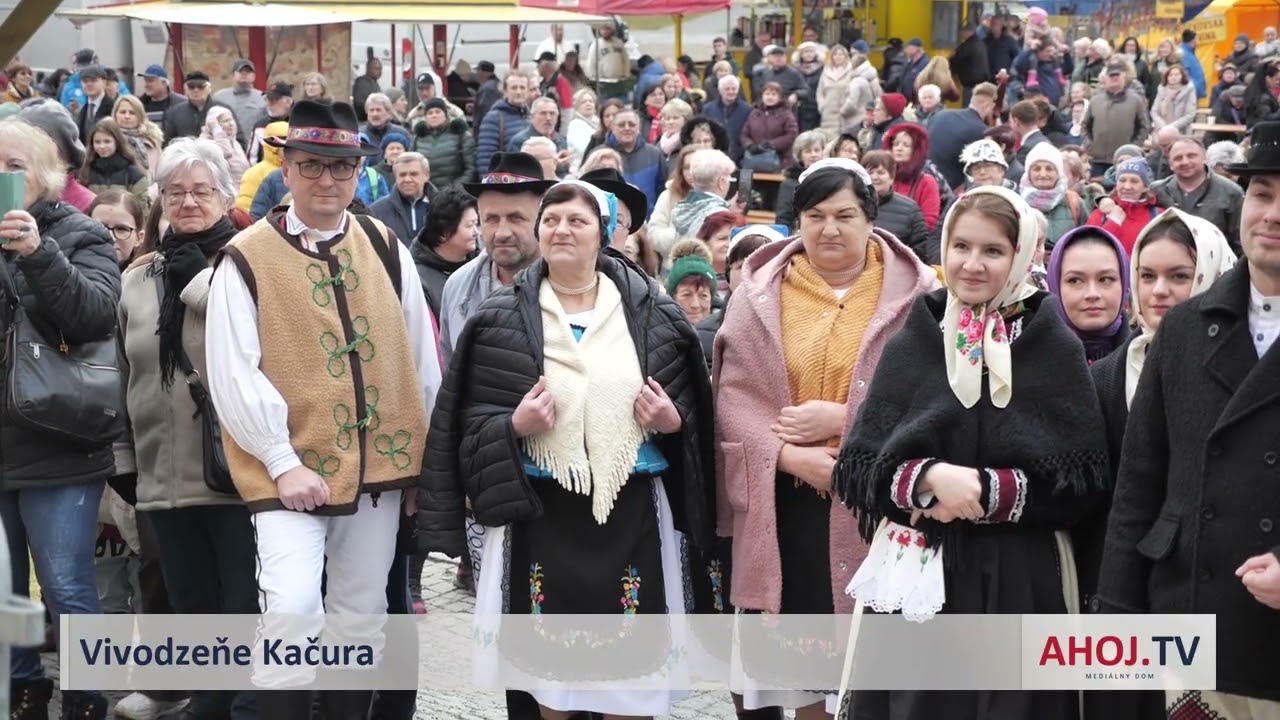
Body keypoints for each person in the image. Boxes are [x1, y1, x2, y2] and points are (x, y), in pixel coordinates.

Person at [419, 178, 715, 719]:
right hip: (542, 515)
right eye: (551, 219)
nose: (561, 229)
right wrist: (514, 423)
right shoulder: (500, 317)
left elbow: (698, 416)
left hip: (634, 513)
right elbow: (464, 420)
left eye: (577, 220)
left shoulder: (656, 314)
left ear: (605, 233)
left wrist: (674, 421)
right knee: (553, 685)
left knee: (632, 682)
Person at [204, 100, 442, 717]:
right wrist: (282, 463)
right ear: (286, 169)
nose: (327, 181)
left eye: (341, 168)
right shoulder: (246, 257)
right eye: (312, 166)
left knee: (361, 617)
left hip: (380, 474)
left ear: (358, 172)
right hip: (286, 472)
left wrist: (422, 469)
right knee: (291, 610)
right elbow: (233, 374)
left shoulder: (387, 247)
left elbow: (422, 363)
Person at [836, 186, 1110, 720]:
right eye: (961, 246)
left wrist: (987, 491)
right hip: (921, 570)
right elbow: (864, 462)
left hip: (1019, 574)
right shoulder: (917, 332)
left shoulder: (1052, 342)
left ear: (1021, 256)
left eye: (992, 251)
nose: (973, 264)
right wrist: (928, 477)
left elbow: (1083, 478)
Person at [715, 159, 938, 719]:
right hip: (787, 507)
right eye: (815, 216)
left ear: (871, 218)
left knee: (873, 670)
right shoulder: (758, 295)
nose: (829, 229)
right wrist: (789, 456)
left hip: (879, 510)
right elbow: (734, 401)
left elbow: (938, 398)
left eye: (845, 215)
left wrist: (846, 421)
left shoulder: (920, 297)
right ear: (797, 221)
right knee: (802, 673)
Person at [1097, 119, 1280, 720]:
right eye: (1262, 194)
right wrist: (1117, 621)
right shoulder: (1184, 327)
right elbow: (1139, 485)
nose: (1272, 215)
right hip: (1196, 623)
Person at [115, 138, 261, 720]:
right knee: (190, 603)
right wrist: (124, 460)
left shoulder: (247, 261)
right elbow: (125, 378)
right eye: (175, 191)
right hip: (160, 474)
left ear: (225, 195)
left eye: (201, 190)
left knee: (242, 605)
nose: (188, 201)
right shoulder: (137, 278)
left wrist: (201, 282)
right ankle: (207, 700)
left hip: (235, 470)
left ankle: (232, 708)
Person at [1077, 208, 1235, 720]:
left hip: (1205, 578)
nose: (1159, 291)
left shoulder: (1243, 370)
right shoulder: (1108, 374)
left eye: (1180, 276)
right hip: (1122, 577)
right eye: (1147, 276)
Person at [0, 116, 122, 720]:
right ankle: (25, 684)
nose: (0, 176)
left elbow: (96, 316)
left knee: (67, 584)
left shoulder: (78, 233)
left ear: (46, 178)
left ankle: (86, 693)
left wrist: (37, 253)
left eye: (13, 166)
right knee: (2, 592)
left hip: (58, 440)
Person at [1047, 225, 1130, 364]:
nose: (1092, 294)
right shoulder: (1025, 361)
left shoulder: (1148, 357)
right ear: (1055, 285)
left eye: (1106, 279)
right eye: (1075, 281)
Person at [409, 186, 478, 316]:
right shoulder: (419, 280)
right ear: (444, 234)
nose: (476, 232)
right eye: (469, 226)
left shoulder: (483, 265)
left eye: (476, 224)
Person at [88, 188, 145, 267]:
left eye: (121, 229)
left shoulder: (150, 276)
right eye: (100, 226)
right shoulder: (68, 271)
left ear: (139, 238)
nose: (110, 237)